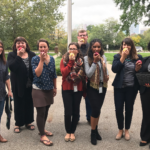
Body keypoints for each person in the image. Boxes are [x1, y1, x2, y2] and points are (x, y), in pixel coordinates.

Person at [112, 38, 142, 141]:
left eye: (128, 44)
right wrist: (123, 57)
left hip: (131, 88)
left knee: (129, 109)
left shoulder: (138, 57)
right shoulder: (117, 56)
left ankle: (127, 130)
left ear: (131, 46)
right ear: (122, 46)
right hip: (119, 88)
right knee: (119, 109)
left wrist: (138, 69)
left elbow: (141, 73)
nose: (126, 46)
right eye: (124, 44)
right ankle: (120, 129)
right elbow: (114, 69)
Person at [7, 37, 36, 133]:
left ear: (26, 44)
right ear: (15, 45)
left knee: (29, 102)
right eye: (18, 43)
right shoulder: (12, 55)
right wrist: (18, 56)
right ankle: (18, 123)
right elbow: (12, 68)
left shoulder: (32, 54)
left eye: (22, 43)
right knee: (19, 103)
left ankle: (28, 121)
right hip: (17, 84)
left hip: (30, 83)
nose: (20, 44)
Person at [31, 39, 57, 146]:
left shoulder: (51, 58)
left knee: (46, 110)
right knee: (41, 112)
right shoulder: (34, 59)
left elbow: (54, 74)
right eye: (40, 47)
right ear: (38, 48)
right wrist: (41, 60)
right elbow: (37, 73)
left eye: (44, 46)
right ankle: (42, 135)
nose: (42, 49)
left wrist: (55, 87)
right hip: (38, 88)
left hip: (49, 88)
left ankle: (42, 129)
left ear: (48, 47)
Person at [84, 39, 109, 145]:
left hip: (102, 86)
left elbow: (106, 70)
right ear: (91, 47)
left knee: (98, 109)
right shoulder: (86, 58)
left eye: (98, 47)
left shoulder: (104, 57)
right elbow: (88, 74)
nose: (97, 49)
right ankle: (93, 133)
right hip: (92, 87)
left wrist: (107, 75)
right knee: (95, 109)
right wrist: (94, 62)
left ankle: (96, 129)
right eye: (94, 46)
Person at [60, 42, 86, 142]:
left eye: (74, 49)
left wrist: (84, 90)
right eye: (70, 48)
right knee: (68, 112)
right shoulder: (64, 60)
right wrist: (70, 62)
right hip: (66, 88)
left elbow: (84, 75)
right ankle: (68, 131)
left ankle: (72, 132)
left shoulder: (81, 61)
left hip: (78, 88)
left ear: (78, 50)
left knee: (75, 111)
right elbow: (64, 73)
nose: (72, 50)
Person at [77, 29, 91, 124]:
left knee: (89, 99)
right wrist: (77, 47)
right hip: (77, 76)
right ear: (78, 37)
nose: (82, 37)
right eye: (80, 35)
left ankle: (89, 118)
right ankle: (76, 118)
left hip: (89, 76)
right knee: (76, 99)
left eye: (84, 35)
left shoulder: (91, 47)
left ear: (87, 37)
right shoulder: (75, 46)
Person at [0, 41, 13, 142]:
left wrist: (9, 90)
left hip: (1, 94)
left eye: (0, 46)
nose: (0, 48)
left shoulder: (4, 62)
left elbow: (6, 77)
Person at [139, 41, 150, 147]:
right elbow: (140, 73)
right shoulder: (145, 60)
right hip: (146, 91)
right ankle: (145, 136)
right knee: (146, 113)